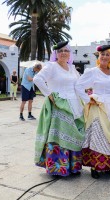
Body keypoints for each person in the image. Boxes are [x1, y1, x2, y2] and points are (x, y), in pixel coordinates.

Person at [33, 41, 89, 176]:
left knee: (73, 134)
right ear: (56, 54)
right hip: (59, 105)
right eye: (60, 51)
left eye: (66, 50)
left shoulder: (72, 69)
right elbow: (37, 79)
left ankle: (73, 166)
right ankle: (58, 168)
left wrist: (89, 98)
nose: (63, 53)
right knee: (59, 136)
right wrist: (49, 94)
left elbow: (79, 85)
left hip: (75, 105)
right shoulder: (51, 66)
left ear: (70, 54)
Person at [77, 45, 110, 179]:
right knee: (98, 137)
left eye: (107, 54)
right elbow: (79, 86)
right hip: (99, 106)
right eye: (102, 54)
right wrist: (88, 99)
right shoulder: (92, 72)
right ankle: (95, 166)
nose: (104, 56)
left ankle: (107, 165)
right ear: (98, 56)